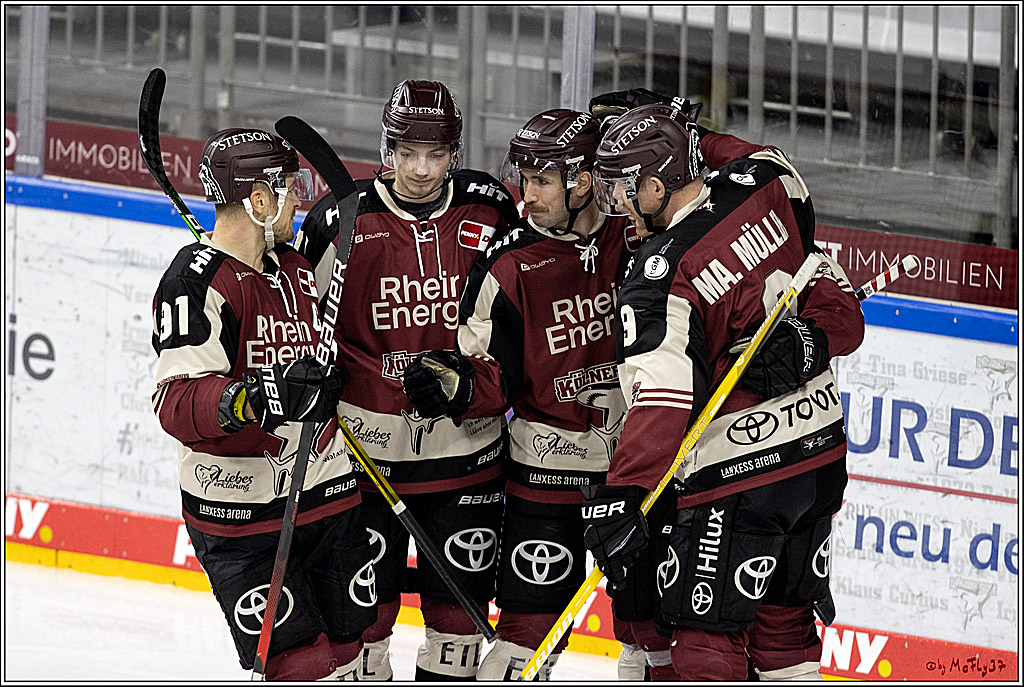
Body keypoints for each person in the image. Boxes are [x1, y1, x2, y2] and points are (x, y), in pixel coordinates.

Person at [580, 99, 865, 680]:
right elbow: (841, 312)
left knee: (705, 637)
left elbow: (662, 400)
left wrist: (627, 493)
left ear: (658, 187)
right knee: (784, 630)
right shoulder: (764, 185)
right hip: (819, 455)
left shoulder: (662, 274)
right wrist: (809, 342)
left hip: (739, 473)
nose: (617, 208)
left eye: (623, 189)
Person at [401, 107, 677, 681]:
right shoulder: (508, 263)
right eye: (523, 178)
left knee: (654, 638)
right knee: (523, 641)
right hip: (543, 472)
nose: (526, 195)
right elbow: (488, 375)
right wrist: (455, 386)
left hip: (638, 470)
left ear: (582, 180)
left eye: (541, 180)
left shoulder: (644, 236)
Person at [295, 80, 520, 681]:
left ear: (456, 151)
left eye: (437, 154)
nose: (420, 170)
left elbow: (515, 319)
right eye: (407, 153)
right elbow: (297, 319)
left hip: (467, 452)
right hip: (366, 458)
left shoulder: (490, 207)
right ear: (386, 149)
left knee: (457, 630)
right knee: (366, 628)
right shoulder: (338, 221)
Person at [151, 128, 376, 681]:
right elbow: (175, 401)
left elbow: (323, 366)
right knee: (301, 667)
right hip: (241, 516)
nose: (299, 198)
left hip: (327, 494)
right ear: (258, 200)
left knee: (355, 657)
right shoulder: (193, 285)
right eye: (289, 187)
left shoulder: (294, 271)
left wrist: (326, 383)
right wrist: (257, 397)